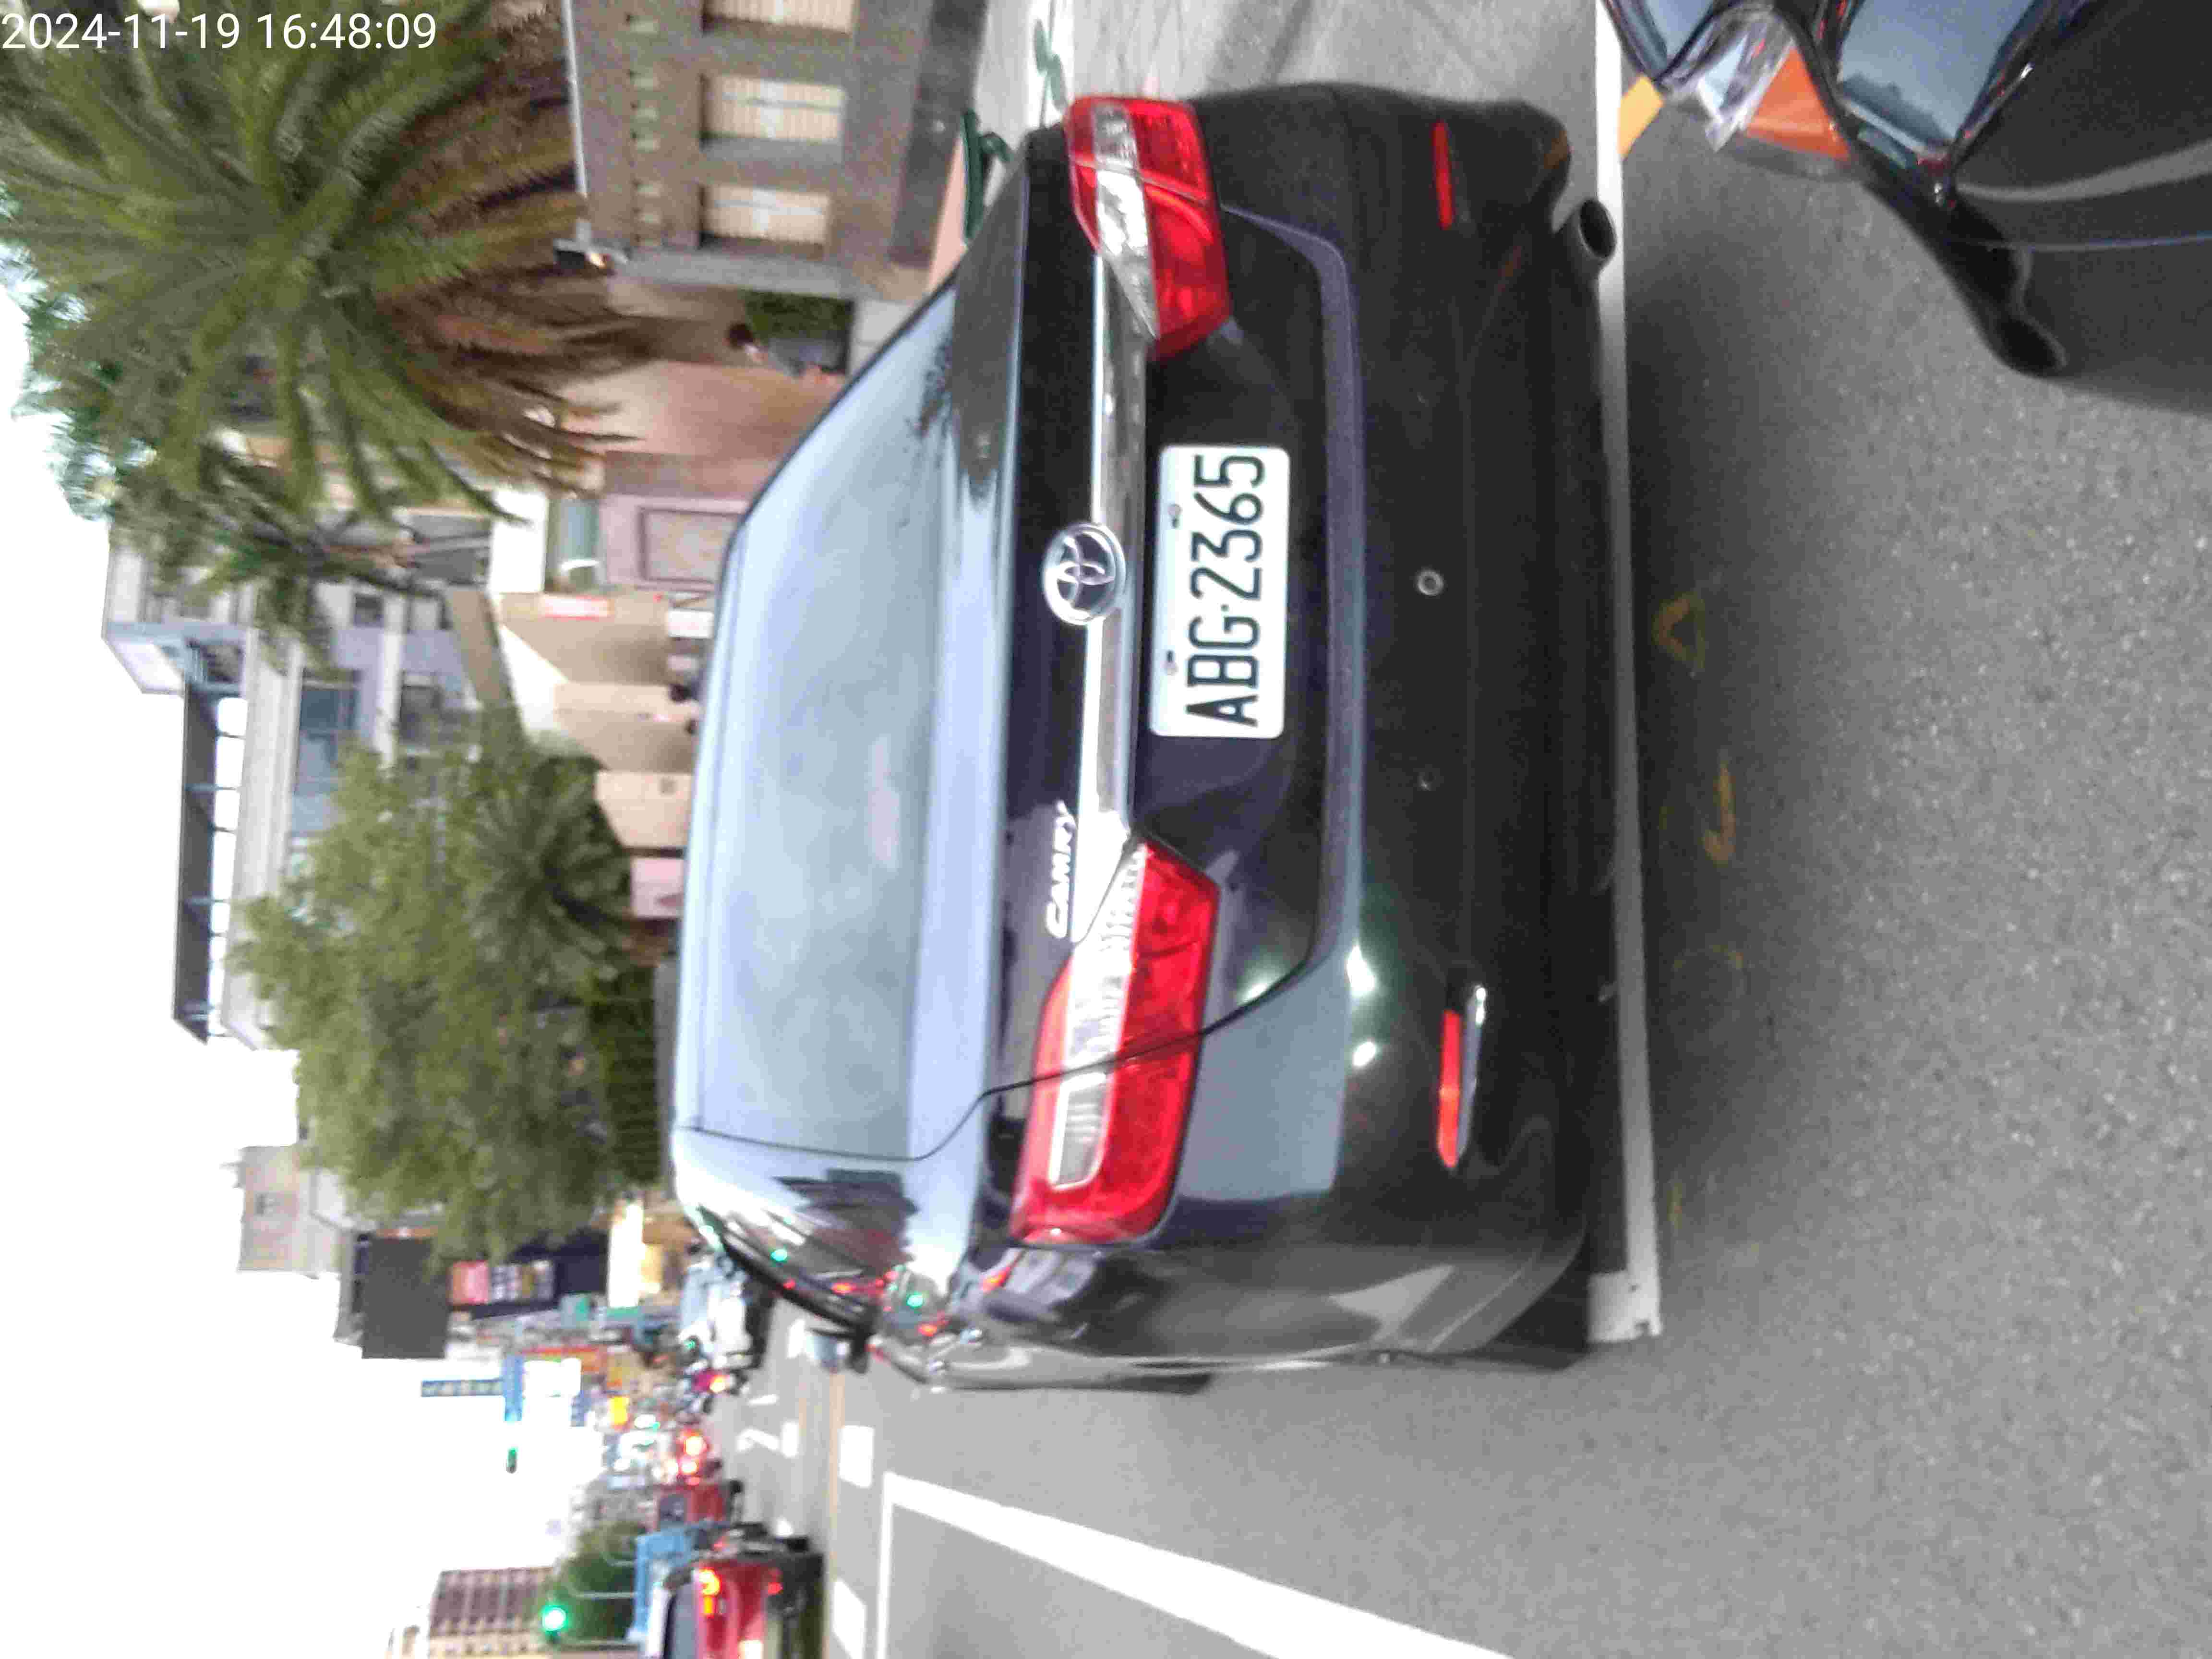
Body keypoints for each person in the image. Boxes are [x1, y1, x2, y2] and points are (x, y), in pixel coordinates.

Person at [728, 320, 843, 381]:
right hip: (838, 336)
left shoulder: (772, 349)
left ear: (748, 347)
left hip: (834, 357)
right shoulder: (772, 327)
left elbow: (795, 372)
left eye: (745, 349)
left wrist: (767, 362)